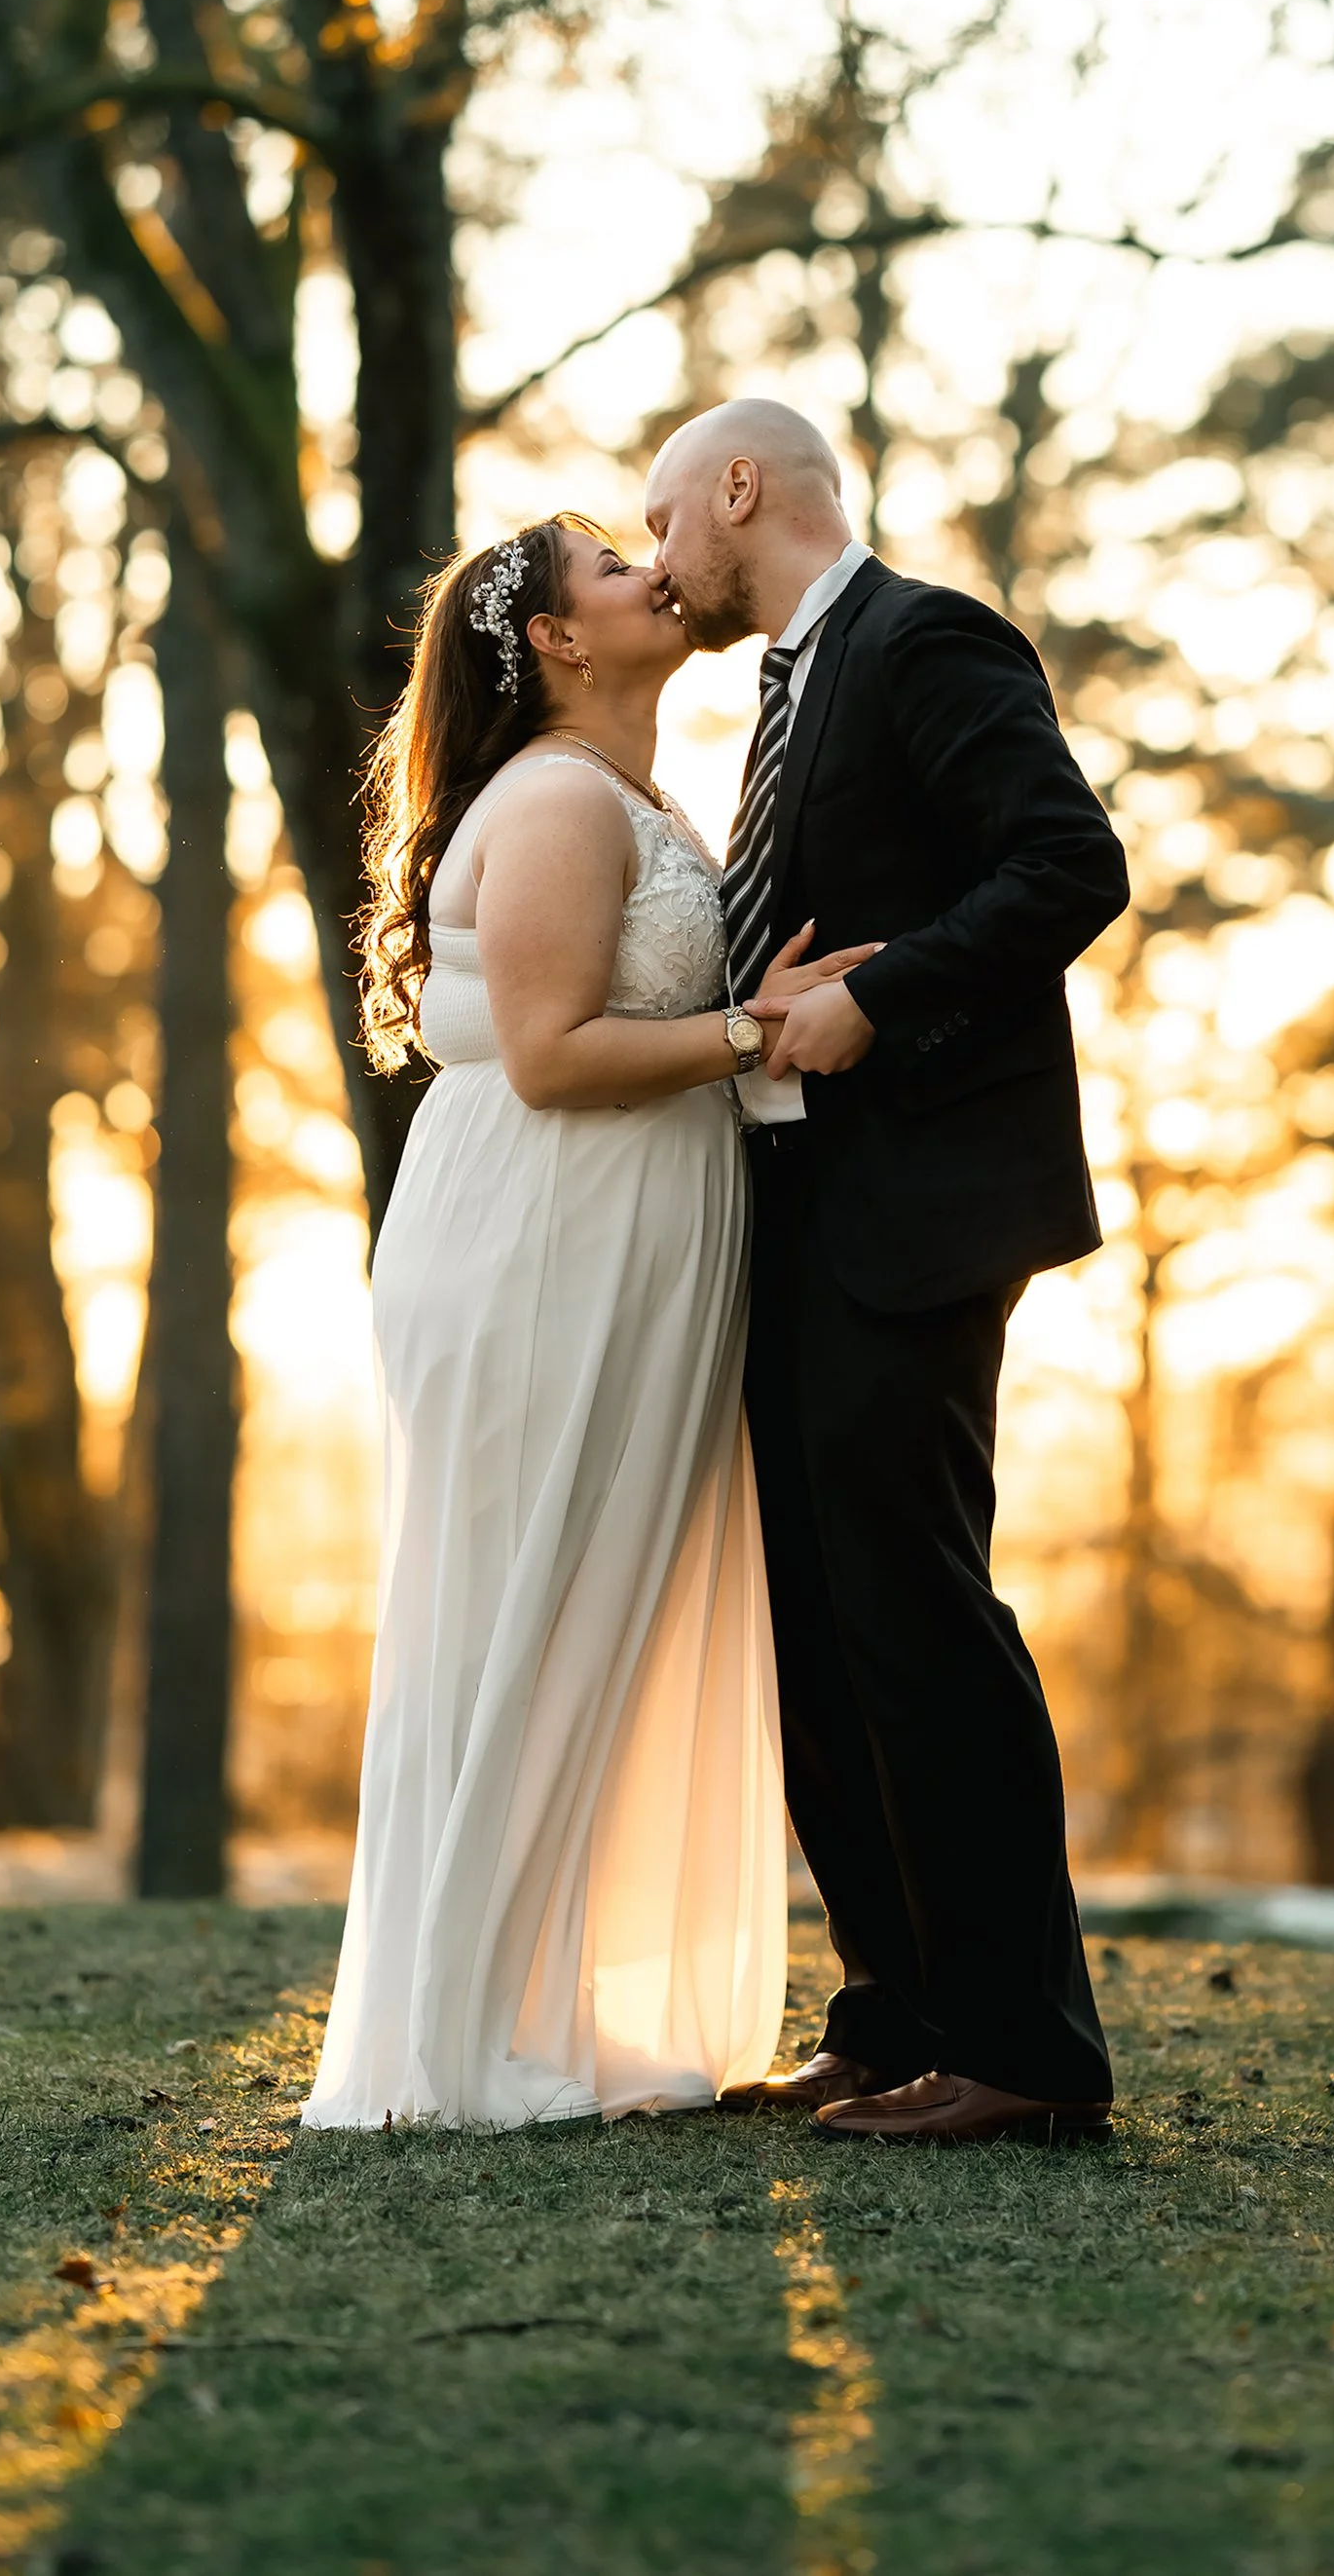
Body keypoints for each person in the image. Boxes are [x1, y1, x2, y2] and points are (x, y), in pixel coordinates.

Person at [302, 511, 871, 2127]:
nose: (653, 578)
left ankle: (547, 2002)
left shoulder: (631, 795)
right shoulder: (555, 797)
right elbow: (550, 1055)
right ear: (555, 641)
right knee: (528, 1606)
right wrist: (754, 1031)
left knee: (596, 1606)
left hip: (625, 1227)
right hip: (542, 1236)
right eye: (614, 573)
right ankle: (463, 2035)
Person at [644, 399, 1130, 2145]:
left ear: (743, 489)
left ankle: (1023, 2051)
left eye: (661, 518)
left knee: (919, 1616)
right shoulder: (782, 696)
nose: (653, 559)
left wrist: (874, 998)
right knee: (818, 1627)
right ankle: (893, 2008)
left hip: (920, 1215)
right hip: (795, 1212)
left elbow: (1071, 867)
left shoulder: (925, 638)